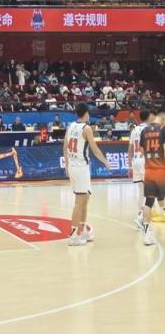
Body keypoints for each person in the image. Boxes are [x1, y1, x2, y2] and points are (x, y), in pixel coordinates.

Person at [63, 102, 110, 246]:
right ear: (86, 113)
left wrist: (66, 165)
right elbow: (95, 149)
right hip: (80, 167)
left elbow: (64, 147)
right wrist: (105, 162)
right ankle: (73, 236)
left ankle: (83, 230)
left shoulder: (70, 126)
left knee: (85, 198)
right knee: (79, 201)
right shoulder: (86, 128)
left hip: (74, 167)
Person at [139, 108, 165, 246]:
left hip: (149, 170)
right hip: (161, 170)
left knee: (148, 202)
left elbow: (142, 150)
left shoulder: (144, 130)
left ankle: (147, 236)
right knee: (162, 201)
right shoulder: (163, 129)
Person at [129, 109, 153, 229]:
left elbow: (130, 149)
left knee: (141, 192)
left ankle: (140, 215)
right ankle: (141, 218)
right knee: (149, 192)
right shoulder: (149, 129)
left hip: (135, 160)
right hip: (144, 160)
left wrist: (129, 165)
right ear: (148, 117)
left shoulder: (134, 129)